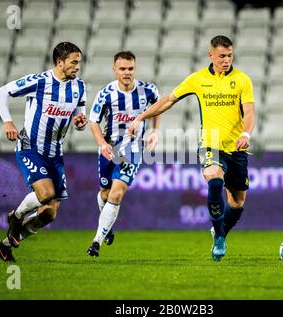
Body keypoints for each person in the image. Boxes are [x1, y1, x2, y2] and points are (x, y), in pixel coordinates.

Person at [128, 35, 255, 261]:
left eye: (229, 55)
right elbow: (168, 100)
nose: (226, 60)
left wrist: (246, 133)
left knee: (237, 202)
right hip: (210, 144)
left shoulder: (242, 80)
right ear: (211, 55)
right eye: (222, 56)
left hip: (236, 149)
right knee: (214, 179)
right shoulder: (198, 79)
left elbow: (250, 112)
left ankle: (220, 229)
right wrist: (141, 117)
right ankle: (219, 237)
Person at [0, 42, 88, 262]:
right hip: (31, 147)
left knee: (49, 213)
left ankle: (5, 246)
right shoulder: (40, 82)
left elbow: (79, 116)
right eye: (73, 62)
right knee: (45, 194)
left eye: (79, 62)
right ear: (59, 62)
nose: (77, 67)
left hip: (55, 152)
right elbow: (1, 93)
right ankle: (16, 217)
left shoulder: (79, 86)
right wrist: (8, 122)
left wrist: (80, 121)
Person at [87, 51, 160, 257]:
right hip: (109, 149)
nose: (127, 73)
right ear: (115, 70)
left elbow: (158, 108)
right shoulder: (106, 93)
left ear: (134, 69)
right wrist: (102, 144)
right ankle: (107, 226)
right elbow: (94, 121)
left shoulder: (148, 90)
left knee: (116, 194)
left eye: (130, 69)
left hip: (133, 150)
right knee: (105, 193)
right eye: (122, 69)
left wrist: (154, 130)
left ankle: (96, 242)